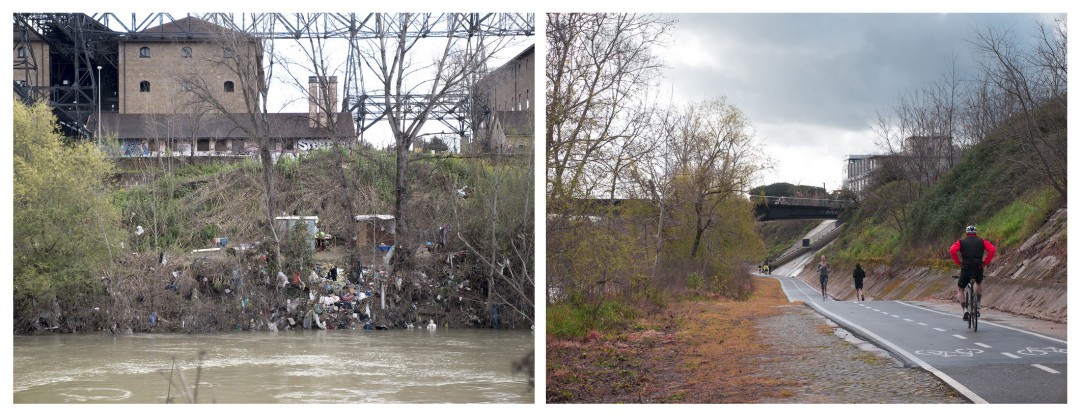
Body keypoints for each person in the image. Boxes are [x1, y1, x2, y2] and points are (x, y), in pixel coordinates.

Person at [949, 225, 996, 321]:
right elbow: (992, 249)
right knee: (978, 283)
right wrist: (985, 262)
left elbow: (952, 250)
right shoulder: (982, 241)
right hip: (978, 267)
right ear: (976, 233)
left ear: (967, 233)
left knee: (960, 289)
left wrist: (958, 262)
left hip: (965, 267)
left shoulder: (961, 242)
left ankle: (965, 309)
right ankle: (978, 302)